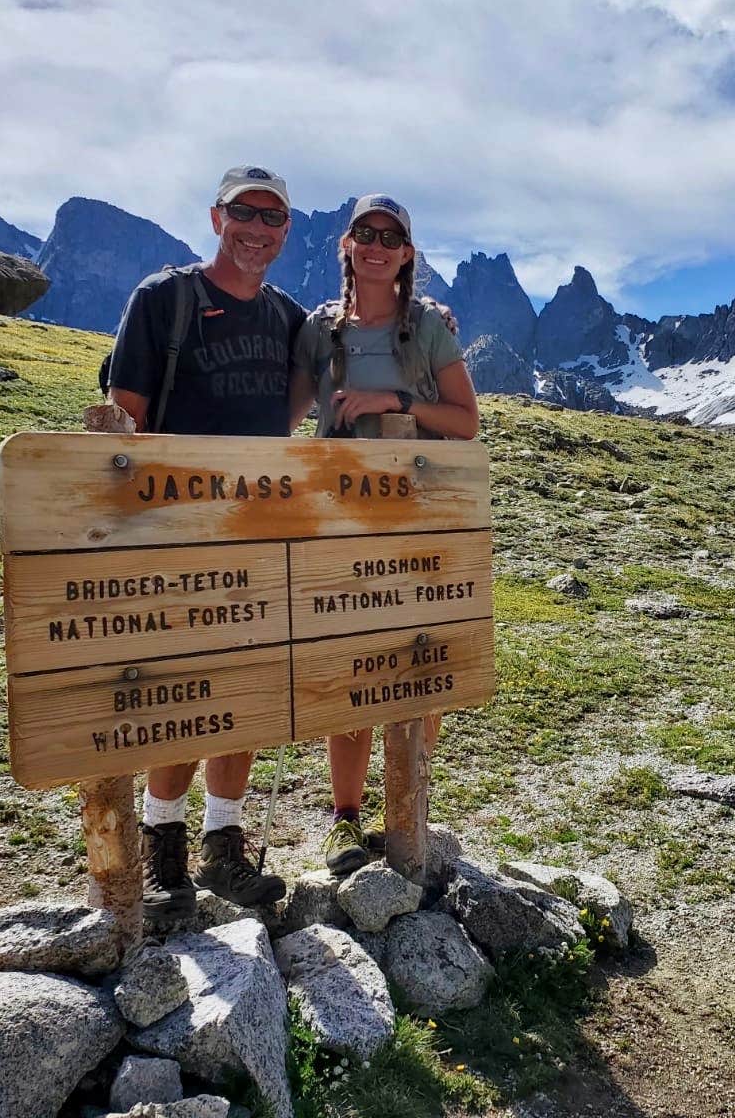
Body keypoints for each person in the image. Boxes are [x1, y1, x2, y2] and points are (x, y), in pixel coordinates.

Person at [107, 165, 306, 924]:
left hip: (256, 529)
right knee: (181, 695)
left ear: (287, 231)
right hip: (174, 531)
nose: (258, 229)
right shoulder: (163, 299)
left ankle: (223, 843)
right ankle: (163, 845)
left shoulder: (287, 317)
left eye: (273, 218)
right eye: (244, 213)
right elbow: (124, 417)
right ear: (217, 216)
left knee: (248, 686)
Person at [288, 194, 479, 874]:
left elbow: (465, 421)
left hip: (419, 522)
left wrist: (393, 401)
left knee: (421, 662)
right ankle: (345, 817)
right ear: (346, 244)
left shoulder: (427, 326)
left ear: (406, 254)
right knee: (355, 667)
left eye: (390, 236)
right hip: (341, 523)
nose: (376, 244)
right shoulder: (320, 328)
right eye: (364, 233)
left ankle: (411, 803)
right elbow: (283, 415)